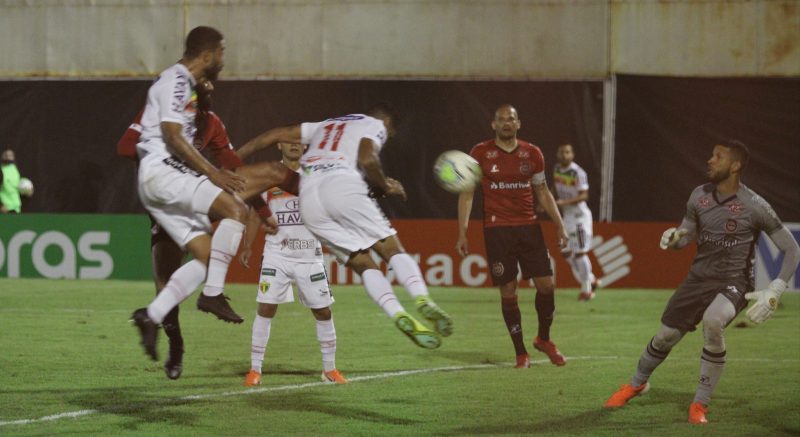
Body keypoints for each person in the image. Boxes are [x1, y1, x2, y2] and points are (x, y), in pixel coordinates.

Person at [603, 140, 800, 425]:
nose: (710, 160)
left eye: (718, 157)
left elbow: (792, 249)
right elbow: (686, 235)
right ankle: (637, 384)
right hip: (697, 279)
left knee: (713, 322)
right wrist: (674, 238)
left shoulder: (755, 205)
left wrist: (776, 288)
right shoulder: (699, 196)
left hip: (734, 281)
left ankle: (699, 403)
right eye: (711, 155)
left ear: (735, 166)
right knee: (665, 337)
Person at [130, 26, 295, 363]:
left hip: (163, 182)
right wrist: (212, 173)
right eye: (221, 52)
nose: (223, 60)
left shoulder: (190, 93)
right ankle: (212, 295)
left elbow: (221, 155)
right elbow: (173, 136)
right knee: (235, 207)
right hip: (162, 175)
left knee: (207, 257)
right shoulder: (175, 81)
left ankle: (152, 315)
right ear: (206, 55)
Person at [236, 104, 453, 349]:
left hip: (308, 198)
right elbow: (367, 158)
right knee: (391, 251)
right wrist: (384, 185)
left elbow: (272, 135)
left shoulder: (325, 125)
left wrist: (234, 158)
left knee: (363, 264)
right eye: (390, 134)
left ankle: (397, 313)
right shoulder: (374, 125)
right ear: (388, 125)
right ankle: (423, 300)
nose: (388, 137)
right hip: (342, 184)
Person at [118, 73, 278, 379]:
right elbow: (126, 147)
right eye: (203, 81)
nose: (209, 86)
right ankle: (176, 345)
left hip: (195, 195)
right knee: (165, 286)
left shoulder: (211, 122)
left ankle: (212, 293)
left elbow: (233, 166)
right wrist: (168, 161)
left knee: (232, 214)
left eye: (209, 82)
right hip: (166, 203)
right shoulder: (160, 118)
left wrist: (261, 207)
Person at [456, 104, 569, 369]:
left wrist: (560, 226)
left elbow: (542, 191)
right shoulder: (480, 153)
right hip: (497, 230)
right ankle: (520, 353)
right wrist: (462, 232)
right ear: (493, 125)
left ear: (519, 124)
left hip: (529, 227)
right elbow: (468, 194)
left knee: (547, 286)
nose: (507, 123)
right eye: (501, 119)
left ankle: (543, 339)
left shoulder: (533, 153)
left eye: (512, 119)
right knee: (508, 289)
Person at [242, 141, 347, 386]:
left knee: (323, 311)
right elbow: (256, 212)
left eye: (299, 142)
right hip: (277, 253)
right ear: (280, 145)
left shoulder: (315, 175)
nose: (294, 146)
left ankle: (329, 370)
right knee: (266, 307)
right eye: (289, 141)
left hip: (309, 255)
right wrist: (247, 244)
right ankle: (255, 370)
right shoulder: (271, 175)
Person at [553, 143, 597, 301]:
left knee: (579, 253)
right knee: (565, 252)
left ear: (572, 155)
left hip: (579, 216)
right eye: (562, 152)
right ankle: (591, 279)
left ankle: (587, 289)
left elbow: (584, 195)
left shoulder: (577, 172)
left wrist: (563, 203)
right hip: (567, 217)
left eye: (567, 152)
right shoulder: (557, 169)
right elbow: (555, 187)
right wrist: (547, 202)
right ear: (558, 154)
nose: (564, 155)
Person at [0, 149, 23, 214]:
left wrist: (27, 190)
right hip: (5, 208)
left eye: (10, 155)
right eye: (6, 155)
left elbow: (18, 186)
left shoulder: (16, 169)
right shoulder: (1, 171)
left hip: (17, 208)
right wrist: (1, 205)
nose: (8, 157)